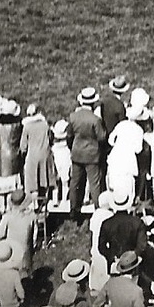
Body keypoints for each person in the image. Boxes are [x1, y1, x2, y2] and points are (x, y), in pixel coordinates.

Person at [67, 87, 107, 217]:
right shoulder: (95, 119)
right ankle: (98, 209)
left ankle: (73, 209)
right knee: (94, 183)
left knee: (75, 182)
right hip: (92, 154)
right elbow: (101, 137)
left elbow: (69, 135)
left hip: (77, 153)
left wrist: (73, 147)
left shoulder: (73, 117)